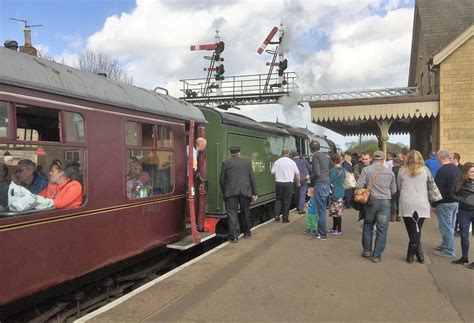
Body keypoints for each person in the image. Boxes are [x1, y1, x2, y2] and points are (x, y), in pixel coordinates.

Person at [356, 150, 396, 263]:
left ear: (372, 158)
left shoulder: (366, 170)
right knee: (382, 229)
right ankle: (376, 255)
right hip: (385, 202)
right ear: (384, 159)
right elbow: (394, 190)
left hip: (371, 201)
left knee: (368, 225)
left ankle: (367, 250)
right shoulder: (390, 172)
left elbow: (359, 185)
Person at [397, 150, 431, 263]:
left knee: (411, 230)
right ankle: (419, 255)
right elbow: (430, 184)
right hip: (422, 202)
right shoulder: (426, 170)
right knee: (417, 229)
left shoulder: (402, 171)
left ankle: (411, 255)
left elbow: (398, 186)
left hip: (407, 202)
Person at [220, 146, 258, 243]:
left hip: (230, 192)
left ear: (231, 153)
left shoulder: (226, 163)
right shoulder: (247, 163)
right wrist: (254, 193)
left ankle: (234, 236)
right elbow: (252, 178)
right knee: (245, 211)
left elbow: (221, 180)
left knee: (232, 213)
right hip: (245, 191)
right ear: (239, 153)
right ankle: (247, 233)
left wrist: (225, 192)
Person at [433, 149, 461, 258]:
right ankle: (445, 244)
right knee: (451, 225)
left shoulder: (442, 171)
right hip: (455, 201)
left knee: (446, 227)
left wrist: (434, 205)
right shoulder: (457, 169)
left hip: (445, 202)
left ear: (439, 157)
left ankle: (449, 250)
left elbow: (437, 189)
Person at [452, 162, 474, 268]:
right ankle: (464, 257)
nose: (473, 173)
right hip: (463, 211)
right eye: (471, 171)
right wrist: (461, 200)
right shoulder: (459, 181)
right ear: (465, 172)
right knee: (464, 235)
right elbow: (453, 193)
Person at [272, 148, 300, 223]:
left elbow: (272, 172)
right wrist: (298, 183)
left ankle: (277, 215)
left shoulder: (277, 162)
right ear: (288, 154)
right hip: (288, 183)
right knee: (287, 201)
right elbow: (297, 174)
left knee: (278, 199)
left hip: (279, 183)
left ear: (282, 153)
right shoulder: (292, 162)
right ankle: (285, 218)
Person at [310, 141, 330, 240]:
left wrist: (310, 177)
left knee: (321, 210)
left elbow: (317, 173)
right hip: (326, 184)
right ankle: (322, 230)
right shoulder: (325, 156)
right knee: (322, 209)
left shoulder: (315, 156)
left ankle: (322, 234)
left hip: (320, 185)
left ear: (311, 148)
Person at [328, 154, 346, 236]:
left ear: (333, 161)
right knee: (337, 212)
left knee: (336, 213)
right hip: (341, 191)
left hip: (335, 192)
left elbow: (329, 180)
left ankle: (338, 230)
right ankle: (335, 228)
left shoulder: (333, 171)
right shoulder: (343, 170)